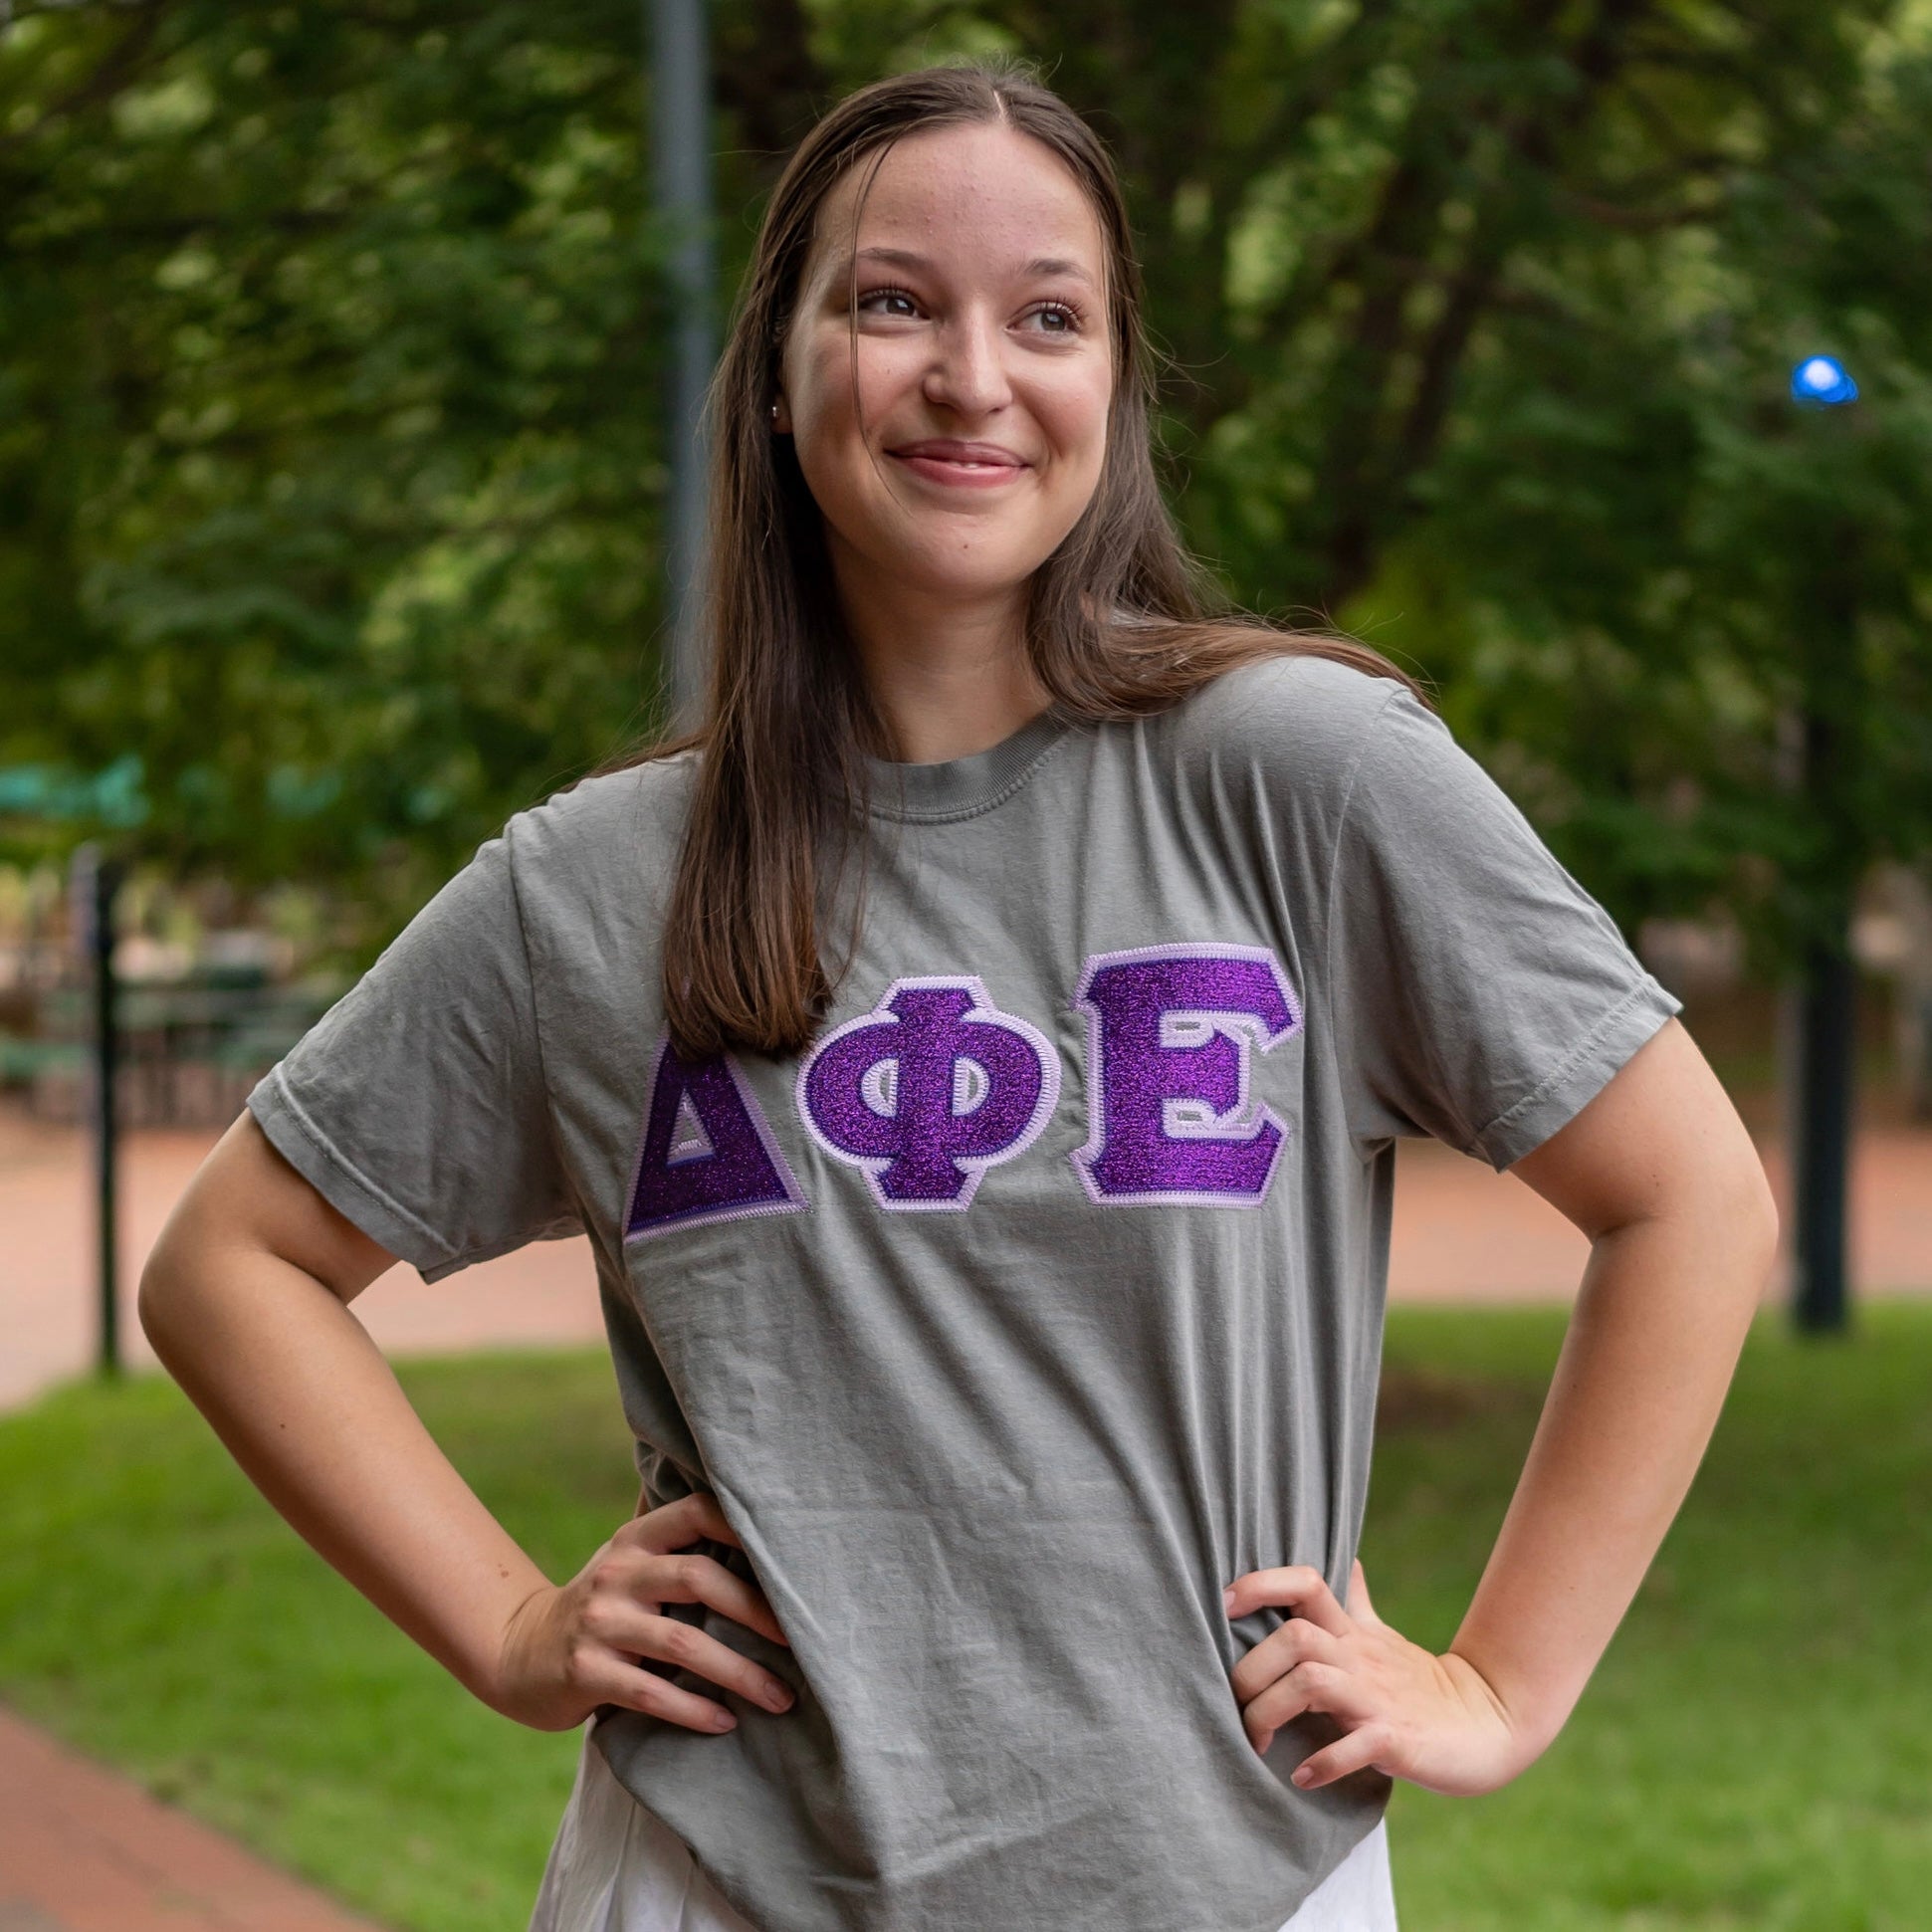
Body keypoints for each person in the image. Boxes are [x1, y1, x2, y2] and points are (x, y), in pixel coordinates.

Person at [138, 57, 1779, 1932]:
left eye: (1048, 317)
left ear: (1113, 385)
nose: (972, 377)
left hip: (1233, 1882)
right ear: (778, 368)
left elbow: (1689, 1196)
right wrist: (513, 1625)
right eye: (894, 301)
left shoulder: (1304, 776)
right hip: (714, 1879)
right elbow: (228, 1264)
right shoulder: (592, 885)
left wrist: (1496, 1684)